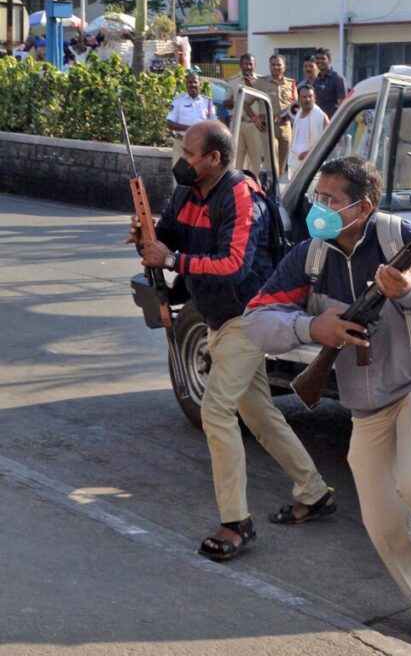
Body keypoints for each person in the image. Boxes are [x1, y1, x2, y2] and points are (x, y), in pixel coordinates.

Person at [243, 157, 411, 647]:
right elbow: (257, 319)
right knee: (382, 519)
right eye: (318, 197)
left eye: (331, 201)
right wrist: (311, 328)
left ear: (366, 205)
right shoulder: (310, 258)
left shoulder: (407, 240)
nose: (319, 209)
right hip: (367, 403)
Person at [128, 120, 336, 562]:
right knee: (259, 413)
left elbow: (234, 264)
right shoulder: (188, 191)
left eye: (189, 154)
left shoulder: (241, 196)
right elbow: (170, 233)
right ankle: (315, 493)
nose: (181, 161)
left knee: (216, 409)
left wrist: (172, 259)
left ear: (214, 160)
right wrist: (148, 238)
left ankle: (236, 522)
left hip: (250, 315)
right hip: (217, 317)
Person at [254, 54, 297, 176]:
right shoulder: (260, 83)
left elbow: (296, 105)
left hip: (285, 127)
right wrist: (254, 118)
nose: (276, 67)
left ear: (284, 67)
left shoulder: (291, 84)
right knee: (272, 163)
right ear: (269, 66)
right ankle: (271, 191)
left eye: (279, 65)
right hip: (268, 126)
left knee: (282, 165)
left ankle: (276, 188)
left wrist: (291, 115)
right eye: (273, 65)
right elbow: (247, 102)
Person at [224, 53, 263, 173]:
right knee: (236, 161)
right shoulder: (233, 81)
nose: (248, 67)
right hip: (238, 125)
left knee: (256, 163)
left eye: (251, 64)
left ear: (255, 65)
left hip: (254, 125)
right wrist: (239, 99)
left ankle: (257, 188)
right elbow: (226, 102)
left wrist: (252, 88)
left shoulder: (261, 81)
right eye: (246, 64)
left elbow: (264, 102)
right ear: (241, 65)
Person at [167, 72, 214, 161]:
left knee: (199, 174)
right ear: (186, 84)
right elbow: (169, 124)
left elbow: (214, 125)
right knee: (179, 173)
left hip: (200, 145)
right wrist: (190, 128)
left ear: (200, 84)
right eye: (190, 82)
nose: (193, 85)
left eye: (195, 82)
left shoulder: (207, 102)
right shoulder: (178, 101)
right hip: (182, 144)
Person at [286, 84, 330, 176]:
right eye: (304, 97)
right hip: (295, 161)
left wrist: (310, 153)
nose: (308, 100)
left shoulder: (321, 116)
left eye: (310, 96)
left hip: (311, 162)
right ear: (299, 99)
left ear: (315, 97)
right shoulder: (298, 114)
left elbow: (329, 139)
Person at [313, 47, 348, 119]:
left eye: (323, 58)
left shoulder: (337, 78)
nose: (319, 61)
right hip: (318, 120)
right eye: (317, 58)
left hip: (332, 122)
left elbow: (342, 104)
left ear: (329, 60)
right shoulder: (316, 80)